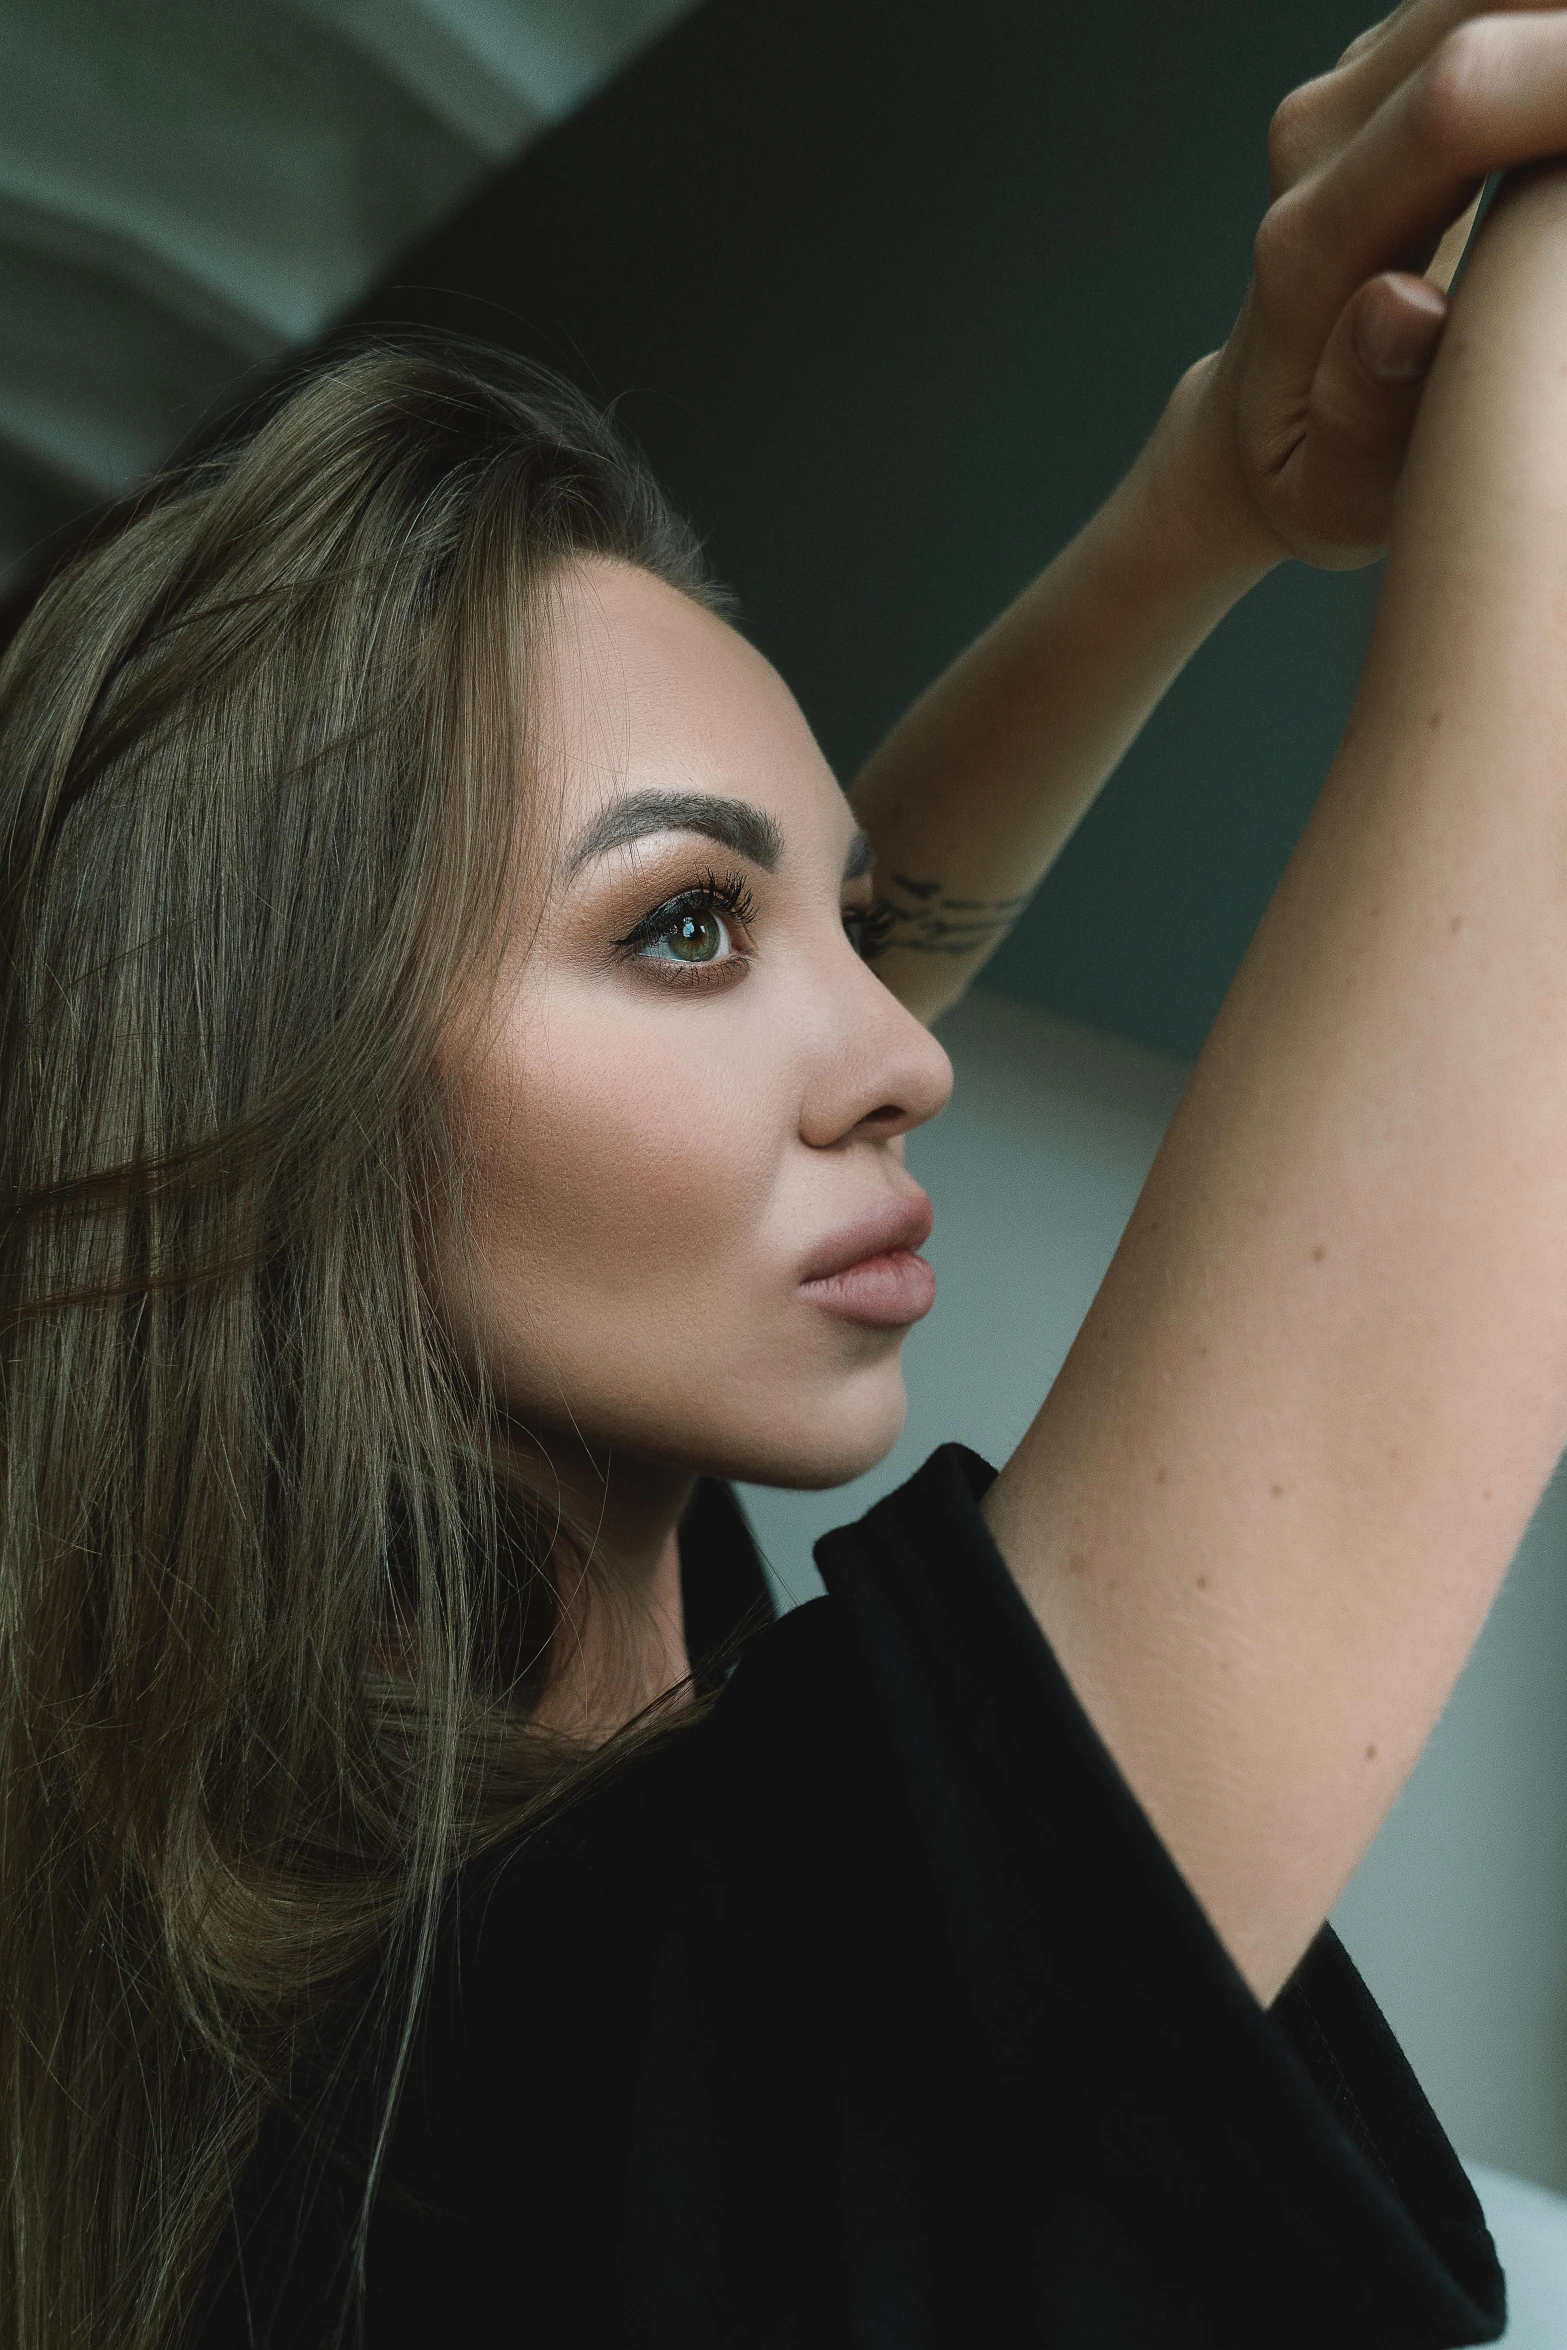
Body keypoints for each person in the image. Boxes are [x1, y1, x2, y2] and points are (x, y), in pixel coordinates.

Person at [5, 3, 1567, 2344]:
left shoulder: (521, 1705)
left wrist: (1194, 512)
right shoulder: (589, 2064)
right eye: (689, 928)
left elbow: (787, 965)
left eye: (832, 921)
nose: (893, 1059)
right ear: (289, 1094)